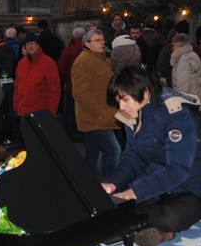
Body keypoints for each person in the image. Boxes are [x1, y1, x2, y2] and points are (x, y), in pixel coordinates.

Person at [101, 66, 201, 246]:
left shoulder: (178, 115)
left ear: (145, 93)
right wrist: (114, 183)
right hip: (155, 184)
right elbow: (133, 157)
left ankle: (158, 228)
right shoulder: (133, 115)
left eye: (125, 100)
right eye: (118, 101)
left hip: (189, 188)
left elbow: (177, 170)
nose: (121, 107)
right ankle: (147, 224)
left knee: (167, 218)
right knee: (120, 207)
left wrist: (133, 193)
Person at [72, 29, 121, 179]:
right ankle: (110, 184)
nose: (102, 43)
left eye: (102, 39)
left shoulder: (102, 59)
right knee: (113, 150)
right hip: (95, 118)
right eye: (97, 40)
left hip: (104, 115)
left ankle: (90, 186)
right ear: (87, 44)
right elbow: (80, 93)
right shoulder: (84, 61)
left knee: (94, 154)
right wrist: (101, 113)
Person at [170, 33, 201, 132]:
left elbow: (184, 82)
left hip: (189, 97)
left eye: (174, 45)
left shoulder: (185, 59)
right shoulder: (191, 55)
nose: (173, 48)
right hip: (194, 95)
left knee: (192, 125)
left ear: (181, 46)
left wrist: (180, 100)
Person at [13, 33, 60, 117]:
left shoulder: (48, 63)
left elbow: (54, 90)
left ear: (38, 45)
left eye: (33, 43)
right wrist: (16, 107)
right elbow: (17, 86)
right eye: (27, 44)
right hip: (23, 111)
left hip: (41, 112)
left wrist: (51, 112)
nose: (30, 46)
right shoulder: (21, 63)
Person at [0, 27, 17, 143]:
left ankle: (1, 135)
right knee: (9, 110)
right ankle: (12, 134)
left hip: (1, 82)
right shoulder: (8, 47)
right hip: (9, 81)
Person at [57, 27, 85, 141]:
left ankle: (71, 131)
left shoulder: (69, 49)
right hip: (86, 85)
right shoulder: (87, 48)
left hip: (71, 84)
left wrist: (66, 78)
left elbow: (61, 66)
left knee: (71, 110)